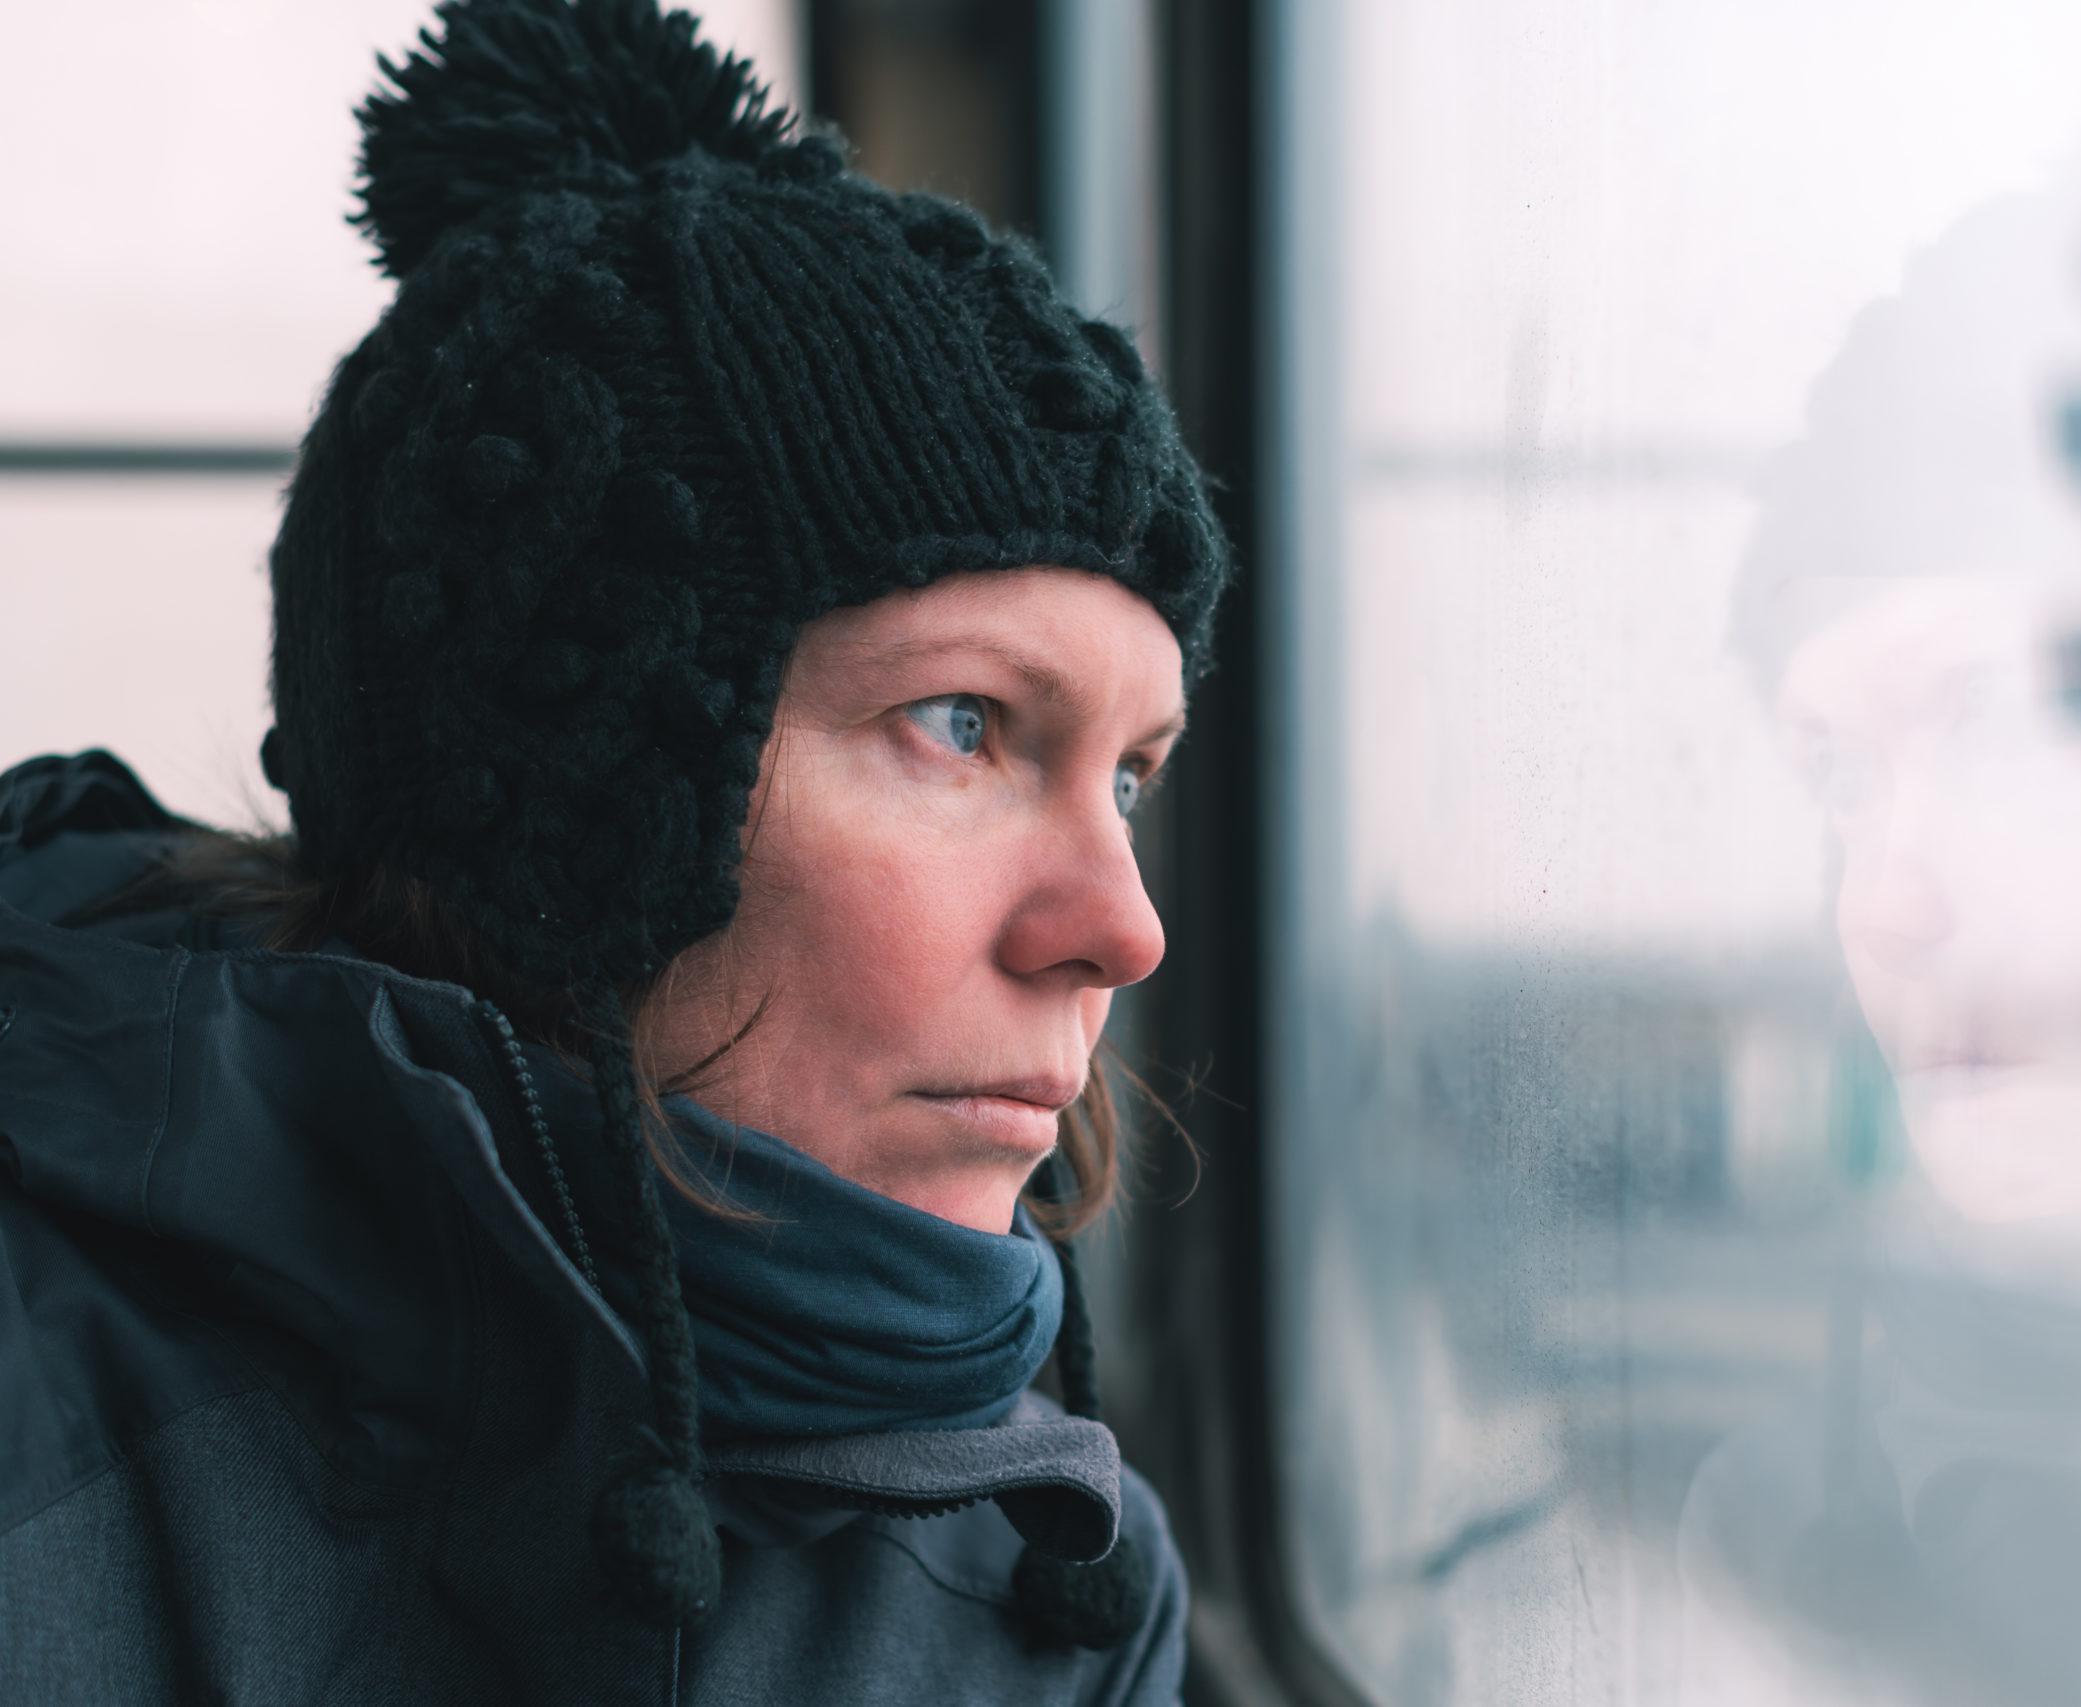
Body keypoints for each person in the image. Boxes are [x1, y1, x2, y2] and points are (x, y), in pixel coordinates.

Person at [0, 1, 1228, 1701]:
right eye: (963, 725)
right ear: (565, 806)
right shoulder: (43, 1473)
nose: (1120, 927)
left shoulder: (1058, 1580)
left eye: (1133, 775)